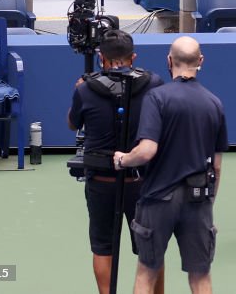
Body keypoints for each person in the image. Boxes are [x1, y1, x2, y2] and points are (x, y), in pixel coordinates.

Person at [114, 37, 228, 294]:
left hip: (158, 200)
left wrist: (123, 159)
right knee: (201, 277)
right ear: (200, 61)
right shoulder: (214, 104)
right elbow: (217, 166)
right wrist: (208, 202)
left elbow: (147, 151)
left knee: (147, 272)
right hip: (198, 200)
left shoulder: (157, 98)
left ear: (169, 61)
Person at [67, 29, 164, 294]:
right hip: (141, 183)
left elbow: (73, 123)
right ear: (132, 57)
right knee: (150, 250)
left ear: (101, 58)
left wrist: (80, 90)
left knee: (103, 248)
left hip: (101, 182)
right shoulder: (154, 83)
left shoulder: (85, 88)